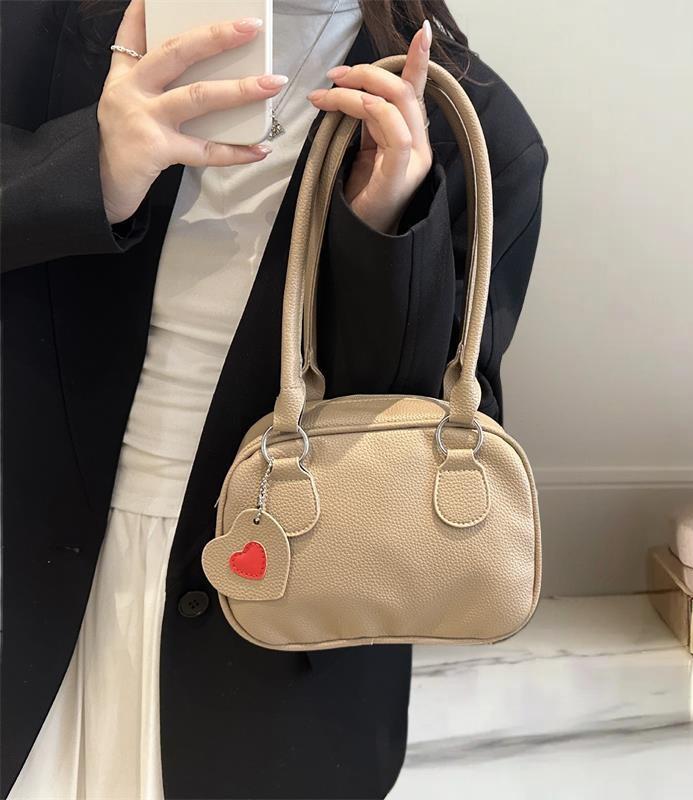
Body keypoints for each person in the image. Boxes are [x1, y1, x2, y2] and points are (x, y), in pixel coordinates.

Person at [0, 0, 547, 797]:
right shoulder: (41, 26)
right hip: (26, 575)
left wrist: (384, 235)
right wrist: (89, 167)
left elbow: (432, 446)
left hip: (269, 663)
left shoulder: (472, 129)